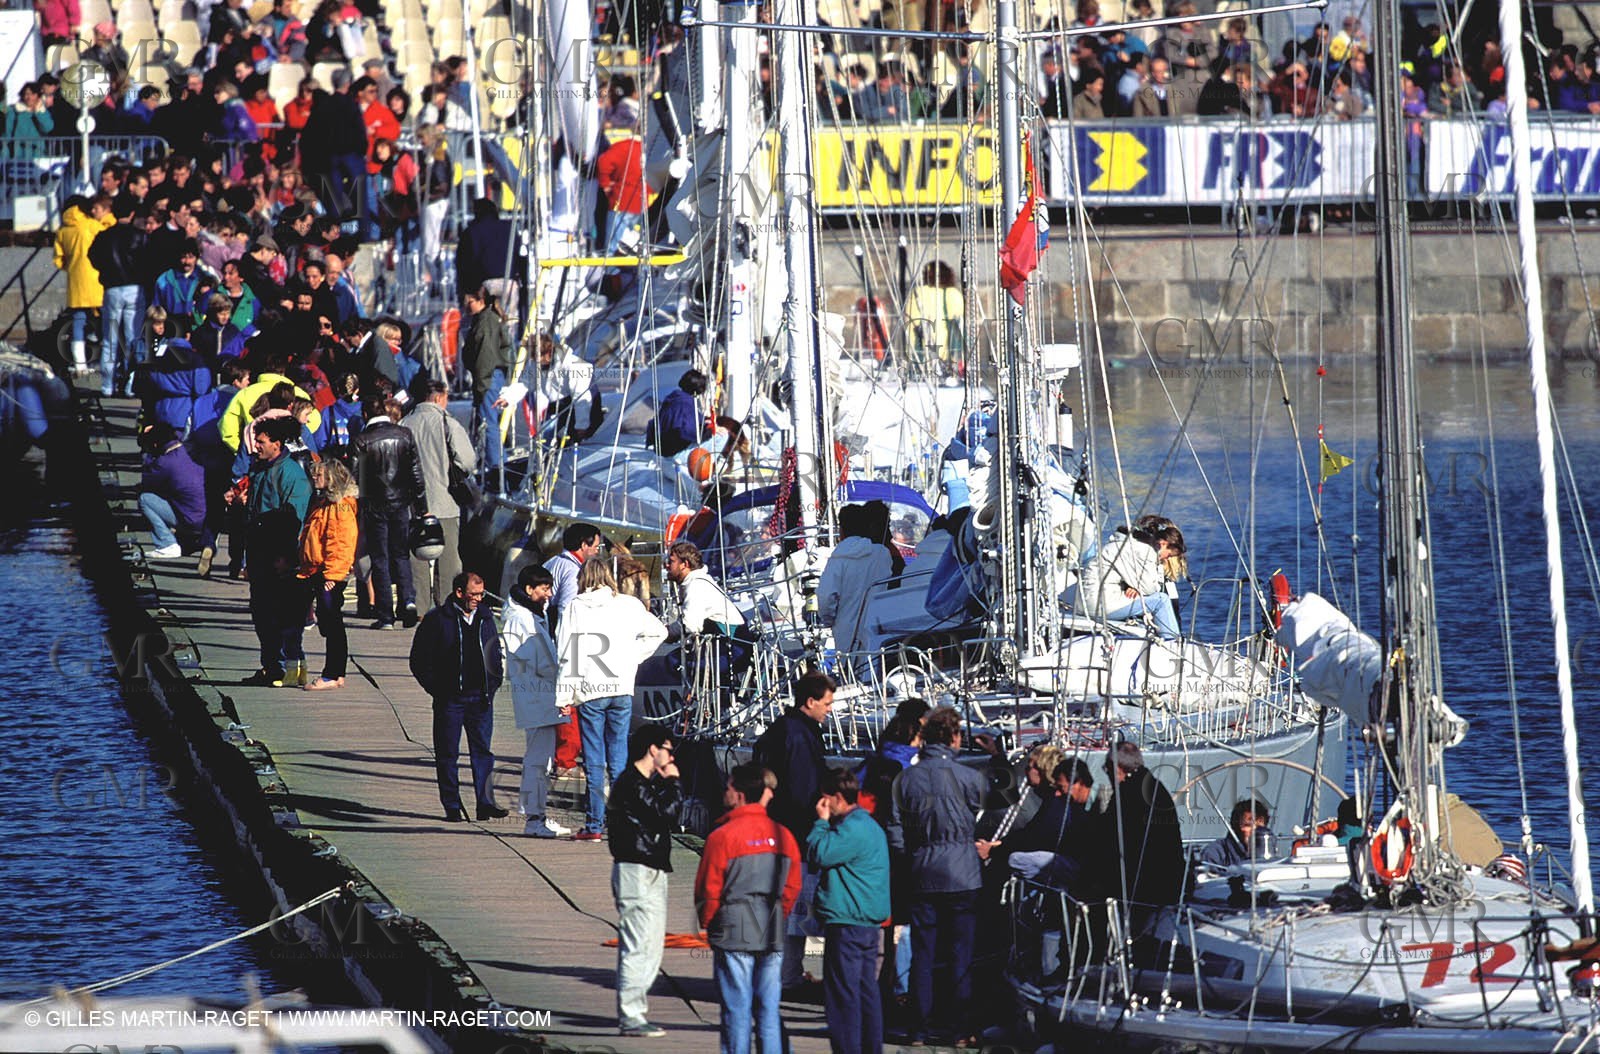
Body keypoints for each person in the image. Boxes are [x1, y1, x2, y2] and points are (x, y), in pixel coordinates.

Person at [887, 706, 986, 1046]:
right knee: (961, 953)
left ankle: (918, 1028)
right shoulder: (969, 777)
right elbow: (982, 811)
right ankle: (959, 1028)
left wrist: (910, 858)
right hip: (962, 871)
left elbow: (895, 830)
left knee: (923, 955)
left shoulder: (906, 779)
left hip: (923, 868)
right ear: (954, 737)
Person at [556, 559, 669, 840]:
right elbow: (660, 632)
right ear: (610, 576)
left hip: (591, 690)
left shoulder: (576, 606)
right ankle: (624, 822)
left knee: (594, 760)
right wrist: (632, 657)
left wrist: (563, 695)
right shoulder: (629, 604)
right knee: (619, 759)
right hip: (621, 687)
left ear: (584, 578)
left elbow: (567, 653)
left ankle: (594, 826)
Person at [695, 763, 803, 1054]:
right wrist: (781, 915)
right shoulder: (783, 835)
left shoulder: (723, 836)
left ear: (740, 794)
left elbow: (709, 887)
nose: (725, 791)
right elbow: (793, 885)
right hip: (771, 925)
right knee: (768, 1009)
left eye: (729, 786)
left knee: (736, 1009)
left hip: (733, 926)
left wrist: (708, 922)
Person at [754, 669, 834, 989]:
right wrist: (820, 823)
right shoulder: (800, 735)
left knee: (790, 909)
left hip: (780, 828)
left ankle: (788, 972)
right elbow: (803, 790)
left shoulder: (788, 728)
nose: (830, 709)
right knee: (796, 908)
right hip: (796, 834)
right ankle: (786, 976)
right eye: (827, 703)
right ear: (810, 701)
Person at [409, 571, 507, 822]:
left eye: (482, 594)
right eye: (474, 594)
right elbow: (419, 661)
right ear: (459, 592)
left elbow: (494, 651)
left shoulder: (486, 616)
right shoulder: (437, 619)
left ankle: (485, 803)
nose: (479, 599)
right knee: (448, 753)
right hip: (450, 700)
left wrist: (494, 682)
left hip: (481, 698)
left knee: (483, 752)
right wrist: (437, 690)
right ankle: (452, 805)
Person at [607, 724, 683, 1037]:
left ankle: (636, 1011)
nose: (671, 755)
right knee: (638, 945)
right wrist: (674, 783)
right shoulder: (632, 784)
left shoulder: (643, 783)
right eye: (668, 748)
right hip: (635, 871)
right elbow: (666, 814)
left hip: (651, 868)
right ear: (654, 749)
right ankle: (631, 1015)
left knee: (652, 946)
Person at [808, 767, 890, 1054]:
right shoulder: (869, 825)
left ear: (838, 798)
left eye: (826, 799)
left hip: (847, 921)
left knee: (843, 996)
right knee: (866, 992)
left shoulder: (850, 829)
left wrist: (820, 823)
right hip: (866, 922)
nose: (823, 805)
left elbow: (819, 854)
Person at [241, 416, 313, 687]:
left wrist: (287, 557)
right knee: (261, 612)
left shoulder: (290, 473)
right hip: (260, 553)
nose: (256, 446)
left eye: (261, 442)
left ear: (276, 444)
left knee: (281, 615)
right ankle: (271, 666)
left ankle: (285, 669)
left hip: (278, 556)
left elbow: (295, 517)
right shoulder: (261, 468)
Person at [500, 564, 570, 838]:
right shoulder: (521, 618)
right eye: (544, 589)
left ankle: (537, 815)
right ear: (529, 590)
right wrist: (564, 692)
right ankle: (534, 819)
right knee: (538, 759)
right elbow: (539, 660)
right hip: (537, 697)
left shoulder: (531, 613)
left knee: (542, 759)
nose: (549, 594)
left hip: (540, 696)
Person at [351, 393, 425, 630]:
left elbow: (356, 477)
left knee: (380, 559)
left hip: (374, 505)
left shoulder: (362, 440)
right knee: (401, 554)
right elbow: (416, 474)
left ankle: (386, 615)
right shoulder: (404, 434)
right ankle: (409, 601)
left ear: (365, 414)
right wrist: (422, 508)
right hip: (401, 503)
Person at [401, 379, 476, 609]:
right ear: (437, 398)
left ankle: (420, 606)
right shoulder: (448, 424)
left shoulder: (404, 424)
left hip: (413, 503)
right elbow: (468, 461)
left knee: (417, 558)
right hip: (445, 499)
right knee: (449, 559)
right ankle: (448, 605)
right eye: (446, 398)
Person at [1105, 741, 1184, 937]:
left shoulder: (1126, 793)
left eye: (1107, 768)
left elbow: (1108, 839)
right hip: (1168, 884)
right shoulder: (1155, 786)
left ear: (1116, 768)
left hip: (1141, 888)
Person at [297, 458, 359, 691]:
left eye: (320, 475)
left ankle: (332, 673)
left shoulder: (340, 506)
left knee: (331, 620)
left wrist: (332, 576)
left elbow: (341, 542)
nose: (315, 478)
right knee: (329, 620)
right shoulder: (324, 502)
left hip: (329, 573)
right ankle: (335, 672)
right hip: (318, 569)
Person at [1075, 516, 1186, 640]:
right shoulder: (1144, 551)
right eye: (1169, 555)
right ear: (1163, 544)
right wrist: (1139, 588)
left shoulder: (1125, 544)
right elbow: (1151, 590)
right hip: (1098, 605)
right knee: (1161, 600)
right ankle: (1173, 643)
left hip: (1088, 602)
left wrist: (1132, 586)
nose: (1166, 559)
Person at [89, 203, 152, 397]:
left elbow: (92, 256)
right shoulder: (140, 236)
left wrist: (106, 272)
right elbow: (149, 260)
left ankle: (107, 386)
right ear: (132, 213)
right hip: (135, 287)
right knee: (133, 338)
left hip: (112, 288)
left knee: (110, 339)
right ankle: (130, 384)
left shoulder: (104, 236)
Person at [818, 504, 895, 656]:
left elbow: (826, 597)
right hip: (878, 629)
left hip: (846, 633)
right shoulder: (882, 554)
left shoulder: (838, 560)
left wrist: (828, 620)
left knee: (851, 673)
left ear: (842, 530)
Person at [53, 194, 115, 377]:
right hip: (97, 281)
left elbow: (58, 260)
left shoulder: (63, 230)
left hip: (76, 283)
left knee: (78, 322)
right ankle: (105, 360)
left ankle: (79, 364)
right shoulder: (92, 226)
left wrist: (72, 268)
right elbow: (110, 231)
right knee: (105, 321)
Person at [462, 286, 513, 494]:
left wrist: (481, 385)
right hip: (490, 377)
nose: (466, 306)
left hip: (488, 378)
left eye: (469, 302)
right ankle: (495, 466)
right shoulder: (485, 319)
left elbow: (485, 356)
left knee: (490, 424)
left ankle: (496, 470)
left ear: (480, 300)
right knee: (490, 424)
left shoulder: (486, 322)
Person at [138, 422, 206, 559]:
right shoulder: (186, 450)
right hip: (205, 516)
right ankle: (194, 540)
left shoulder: (164, 462)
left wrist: (148, 450)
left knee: (145, 499)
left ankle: (166, 544)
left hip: (191, 519)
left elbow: (145, 481)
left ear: (155, 445)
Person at [135, 335, 212, 436]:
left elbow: (147, 387)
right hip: (186, 413)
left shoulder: (157, 360)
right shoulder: (196, 361)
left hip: (160, 411)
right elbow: (201, 390)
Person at [665, 541, 745, 637]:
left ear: (685, 564)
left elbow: (690, 624)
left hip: (731, 643)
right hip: (725, 638)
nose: (667, 566)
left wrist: (665, 633)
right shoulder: (698, 580)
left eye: (671, 561)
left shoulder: (696, 586)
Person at [535, 333, 598, 442]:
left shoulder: (574, 366)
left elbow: (580, 397)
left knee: (576, 441)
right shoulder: (540, 363)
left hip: (582, 404)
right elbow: (526, 383)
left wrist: (581, 426)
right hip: (560, 404)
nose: (537, 360)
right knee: (547, 436)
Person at [1200, 797, 1272, 869]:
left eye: (1260, 827)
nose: (1256, 832)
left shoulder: (1269, 854)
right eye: (1249, 825)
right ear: (1236, 827)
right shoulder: (1215, 852)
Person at [649, 368, 706, 457]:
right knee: (722, 437)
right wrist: (710, 432)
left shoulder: (672, 398)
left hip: (661, 450)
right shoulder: (686, 403)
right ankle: (708, 467)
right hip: (675, 453)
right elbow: (687, 432)